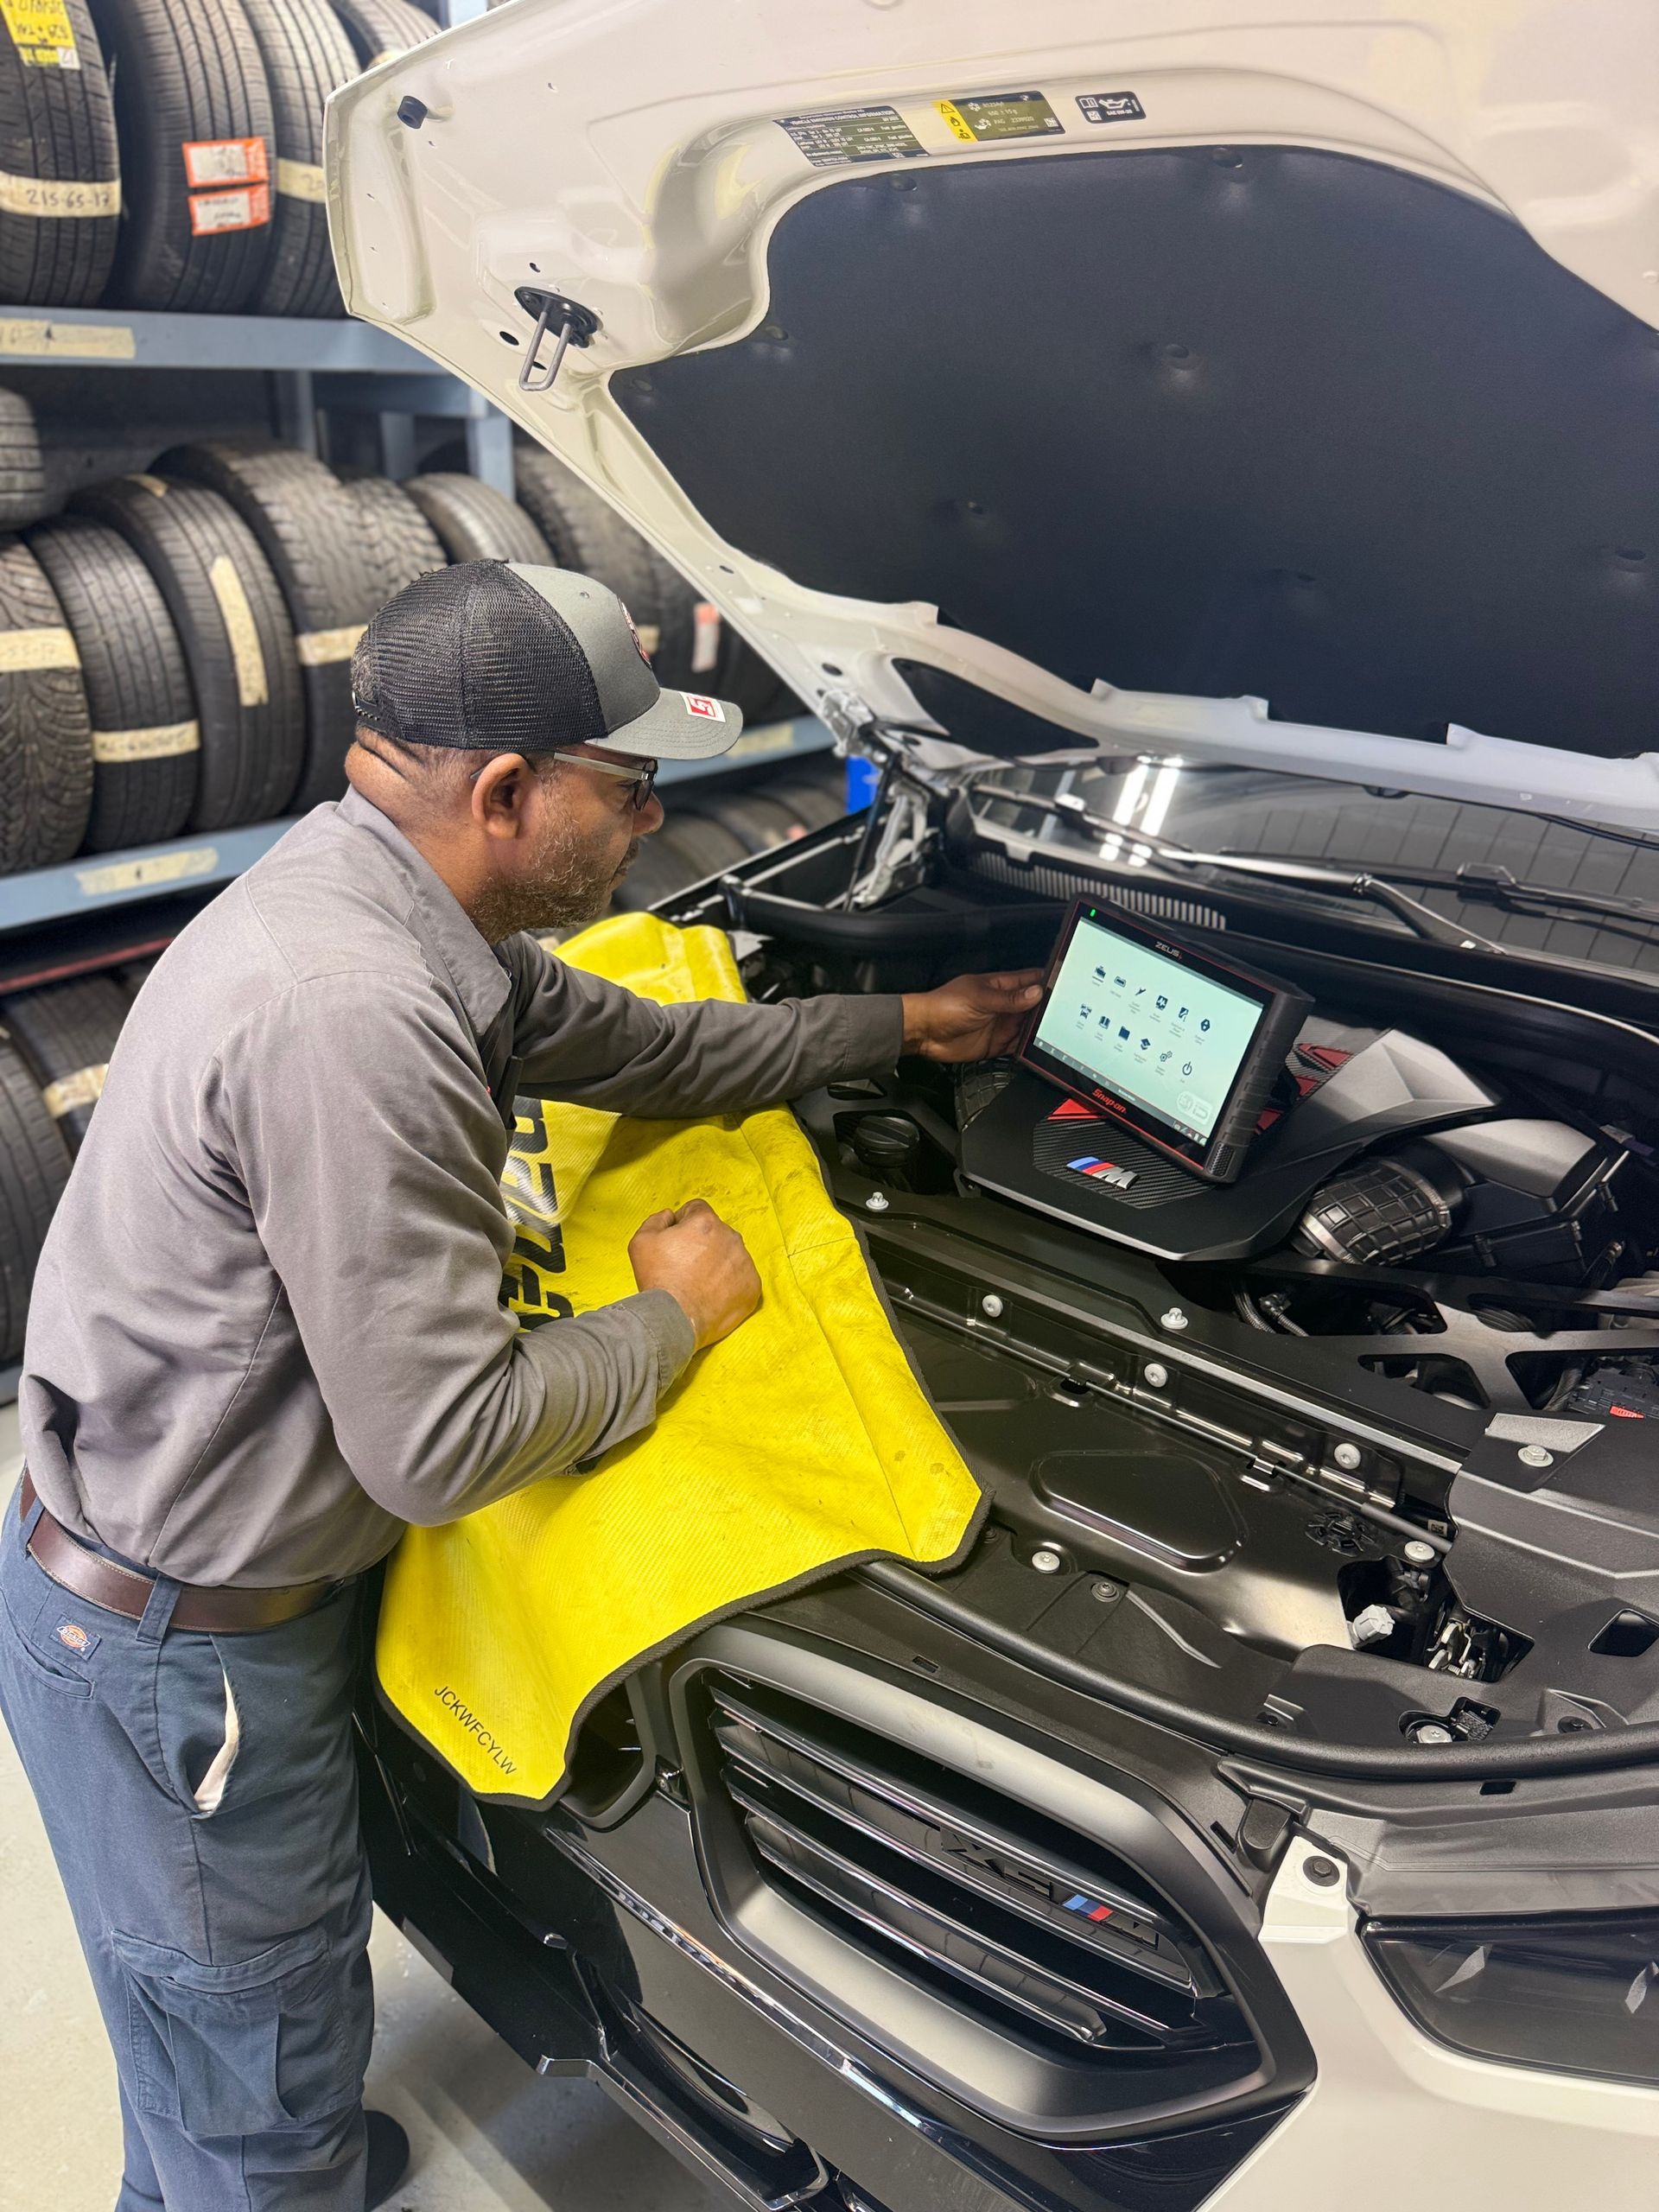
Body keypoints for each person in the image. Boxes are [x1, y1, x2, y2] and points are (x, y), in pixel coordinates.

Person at [0, 559, 1044, 2210]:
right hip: (175, 1654)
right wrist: (678, 1319)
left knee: (235, 2023)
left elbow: (660, 1053)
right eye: (628, 796)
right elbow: (441, 1443)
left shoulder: (395, 901)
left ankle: (270, 2165)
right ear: (507, 792)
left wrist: (906, 1021)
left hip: (183, 1580)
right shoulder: (356, 1013)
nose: (647, 830)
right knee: (239, 2050)